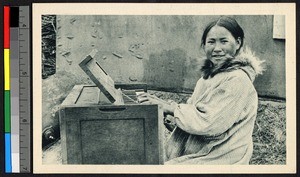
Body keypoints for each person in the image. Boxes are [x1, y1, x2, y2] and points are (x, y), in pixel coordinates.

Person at [138, 16, 265, 164]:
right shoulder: (208, 78)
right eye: (211, 42)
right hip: (205, 149)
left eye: (224, 41)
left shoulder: (237, 79)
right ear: (204, 45)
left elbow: (209, 123)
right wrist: (167, 112)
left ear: (238, 43)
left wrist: (171, 108)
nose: (217, 49)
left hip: (222, 156)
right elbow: (195, 114)